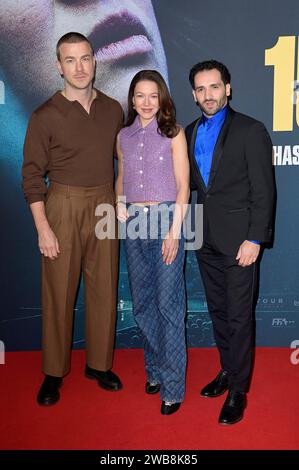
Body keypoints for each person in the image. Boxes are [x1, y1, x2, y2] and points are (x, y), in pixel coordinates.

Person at [22, 32, 123, 406]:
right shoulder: (44, 115)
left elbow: (124, 160)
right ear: (58, 66)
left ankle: (98, 364)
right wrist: (43, 228)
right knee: (58, 292)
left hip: (105, 204)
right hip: (61, 204)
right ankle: (53, 371)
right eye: (70, 60)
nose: (79, 67)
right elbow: (32, 176)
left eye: (85, 58)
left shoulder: (113, 109)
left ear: (95, 61)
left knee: (104, 288)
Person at [185, 60, 275, 425]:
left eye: (214, 87)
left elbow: (264, 191)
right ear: (194, 94)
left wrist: (254, 238)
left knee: (239, 317)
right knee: (219, 313)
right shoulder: (189, 132)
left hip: (241, 243)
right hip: (205, 239)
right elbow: (187, 186)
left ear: (228, 89)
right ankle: (227, 369)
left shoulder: (250, 130)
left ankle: (239, 389)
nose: (209, 94)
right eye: (201, 89)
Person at [115, 70, 190, 415]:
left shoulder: (173, 134)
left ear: (162, 99)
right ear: (132, 99)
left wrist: (175, 231)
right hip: (132, 221)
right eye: (140, 96)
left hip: (164, 221)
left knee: (168, 305)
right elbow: (121, 176)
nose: (146, 103)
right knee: (143, 304)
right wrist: (118, 201)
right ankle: (155, 371)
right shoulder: (123, 135)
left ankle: (173, 388)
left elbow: (183, 187)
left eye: (153, 96)